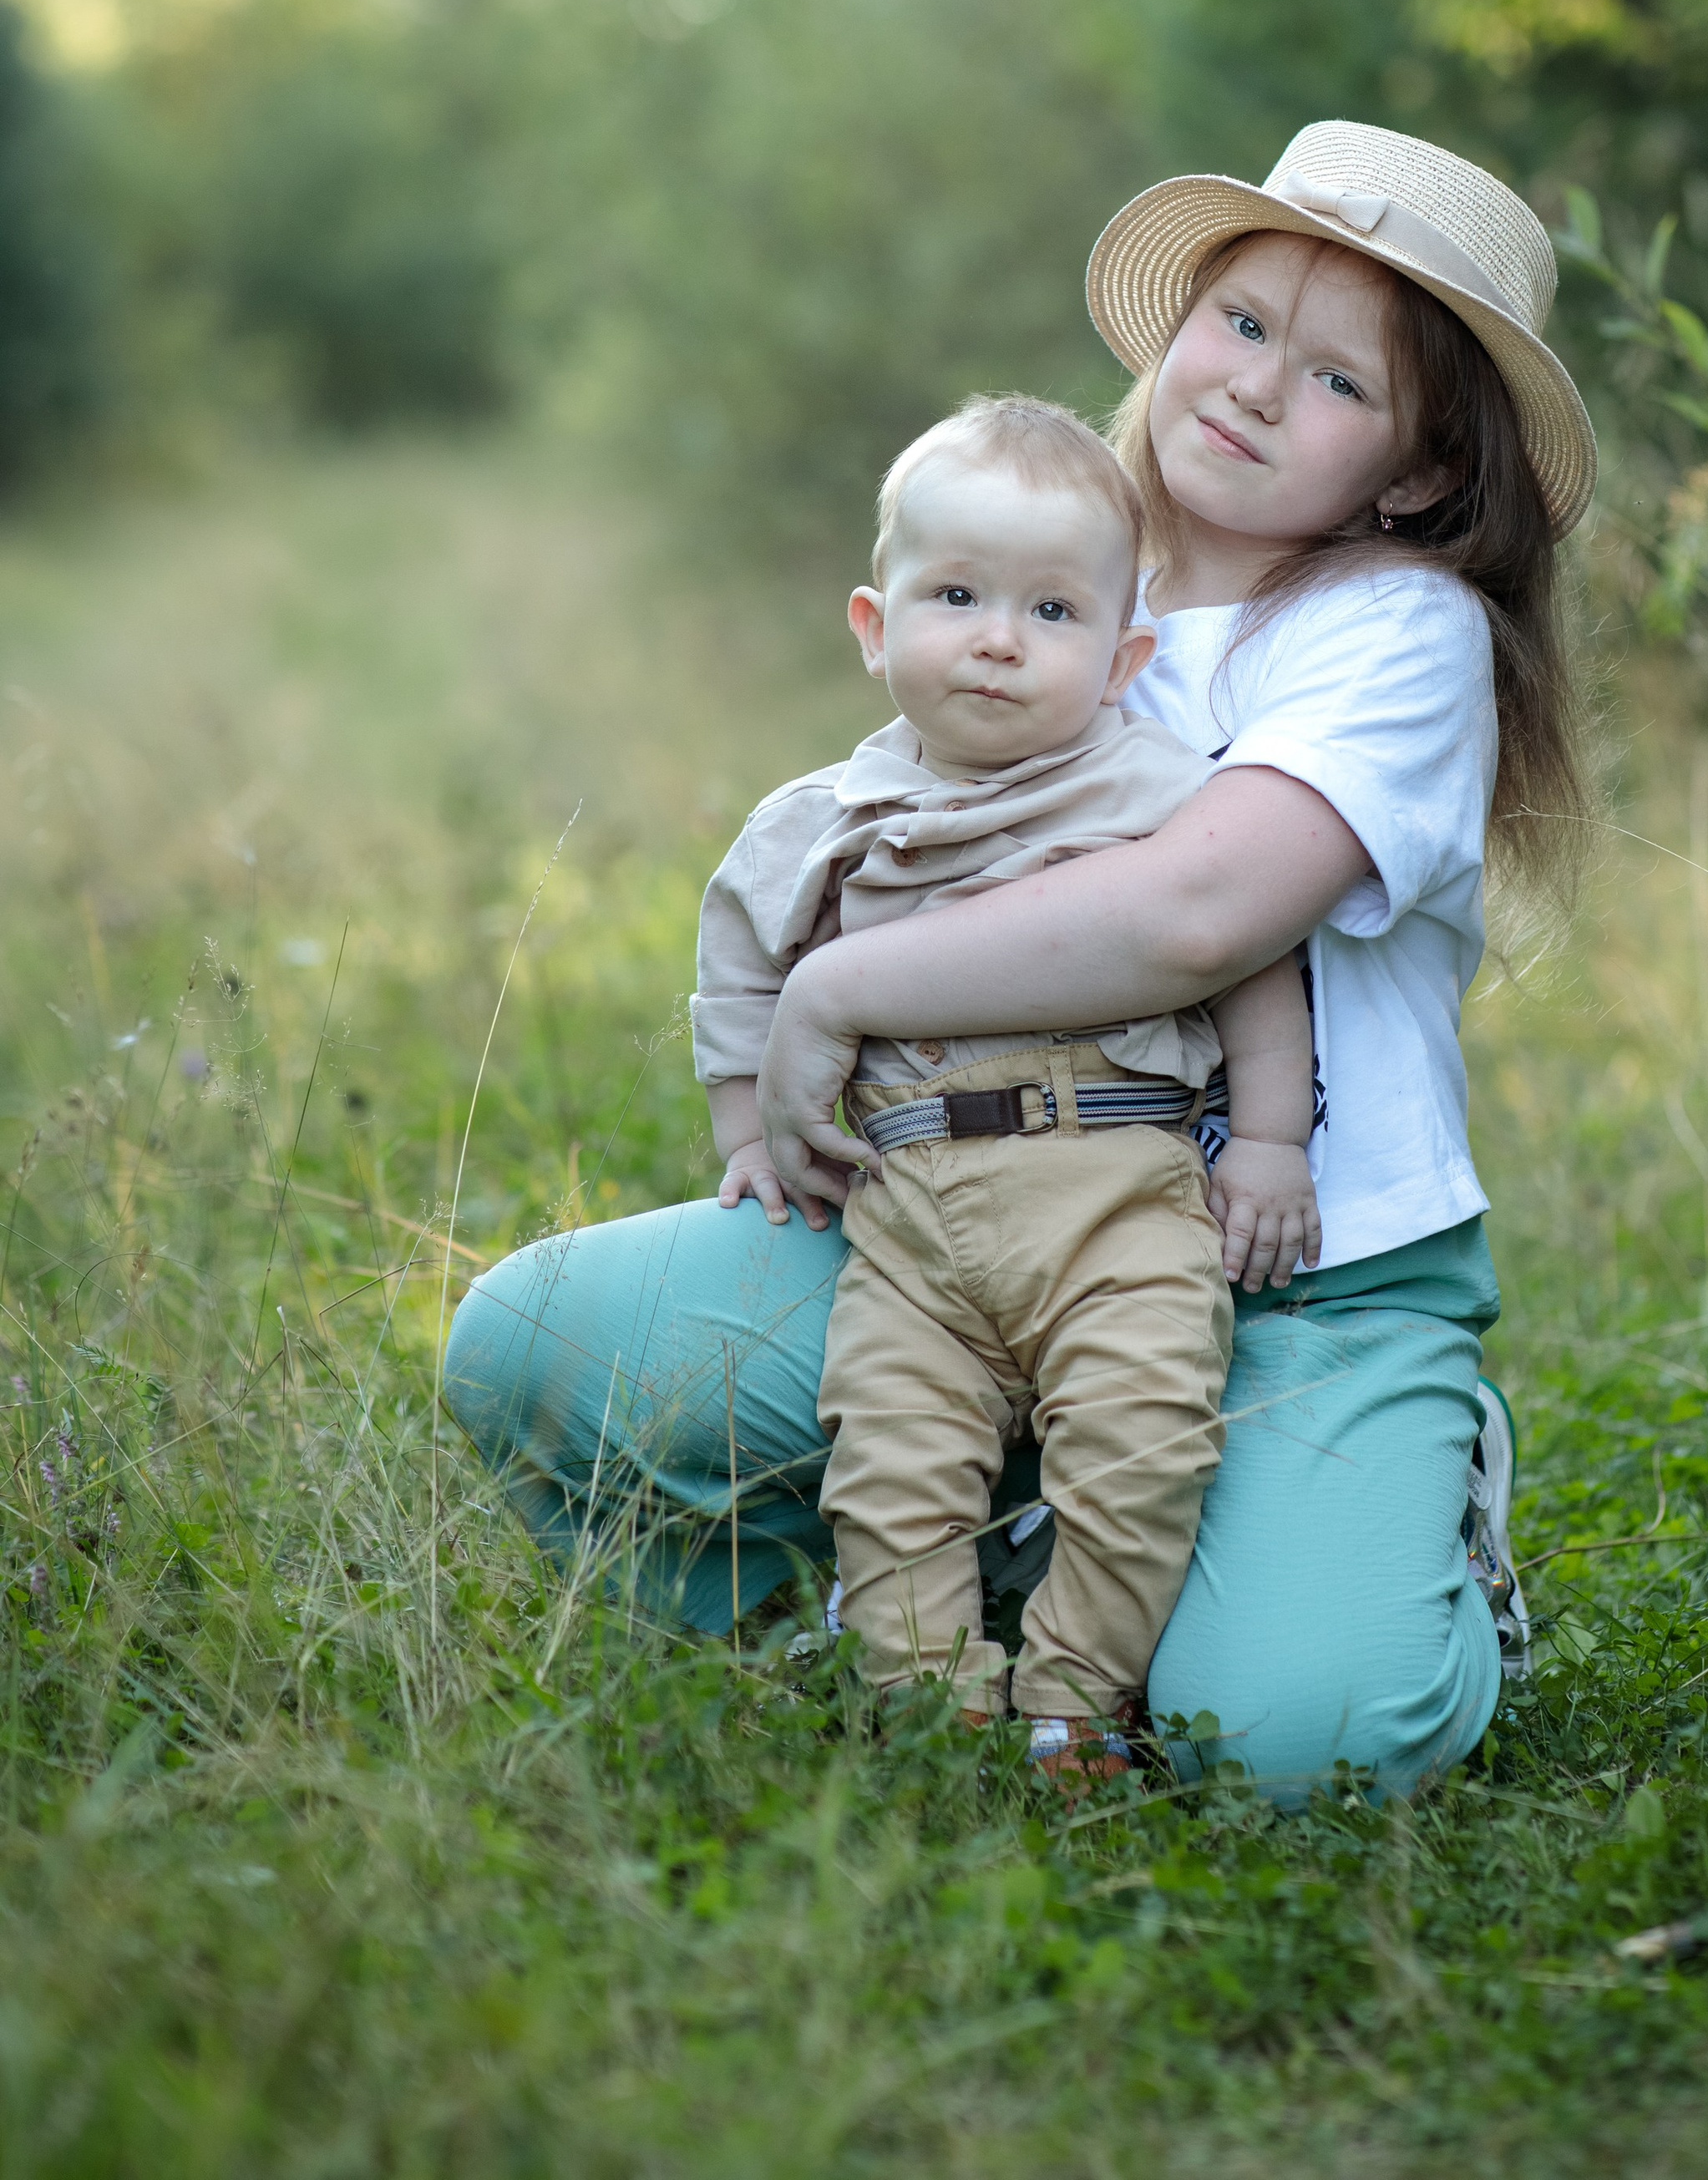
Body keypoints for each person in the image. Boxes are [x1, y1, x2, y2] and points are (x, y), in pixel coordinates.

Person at [444, 119, 1594, 1804]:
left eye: (1341, 384)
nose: (1260, 388)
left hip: (1294, 1281)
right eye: (1243, 322)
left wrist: (835, 1002)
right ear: (1179, 325)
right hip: (958, 1226)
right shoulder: (1053, 567)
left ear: (1417, 472)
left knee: (1291, 1744)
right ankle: (966, 1553)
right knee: (529, 1349)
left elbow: (1193, 915)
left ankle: (1396, 1506)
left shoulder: (1393, 633)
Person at [697, 393, 1317, 1777]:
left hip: (1119, 1188)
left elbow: (1253, 960)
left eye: (1052, 613)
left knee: (1144, 1439)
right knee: (891, 1469)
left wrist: (1269, 1141)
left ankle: (1075, 1704)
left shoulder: (1156, 790)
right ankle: (933, 1708)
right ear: (874, 625)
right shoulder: (820, 824)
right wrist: (750, 1130)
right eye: (959, 595)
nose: (998, 637)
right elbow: (738, 974)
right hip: (907, 1212)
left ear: (1121, 657)